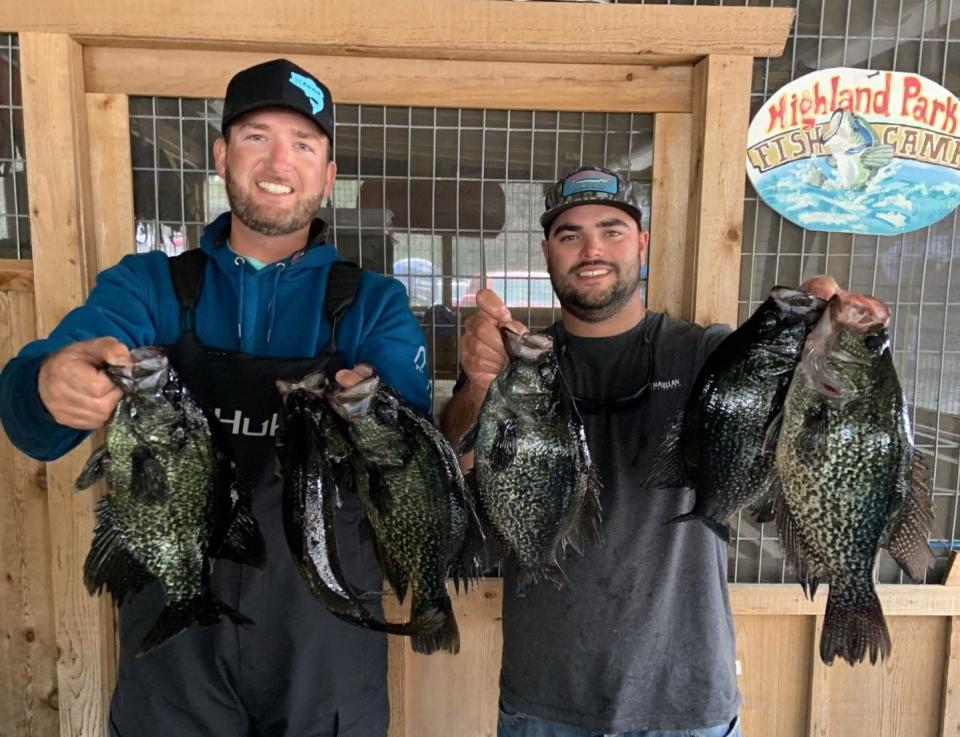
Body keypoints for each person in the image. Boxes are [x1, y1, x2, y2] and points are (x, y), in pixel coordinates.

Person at [0, 58, 430, 737]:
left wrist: (378, 419)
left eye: (303, 144)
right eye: (256, 136)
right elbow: (33, 421)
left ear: (327, 174)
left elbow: (409, 469)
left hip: (323, 647)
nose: (277, 161)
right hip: (174, 651)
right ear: (222, 154)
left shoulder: (372, 306)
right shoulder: (147, 287)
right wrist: (47, 382)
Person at [441, 166, 742, 737]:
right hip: (544, 701)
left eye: (612, 230)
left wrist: (808, 328)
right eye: (569, 235)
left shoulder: (704, 356)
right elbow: (454, 460)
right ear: (547, 253)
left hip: (685, 703)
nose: (591, 250)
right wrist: (479, 382)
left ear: (642, 244)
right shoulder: (517, 364)